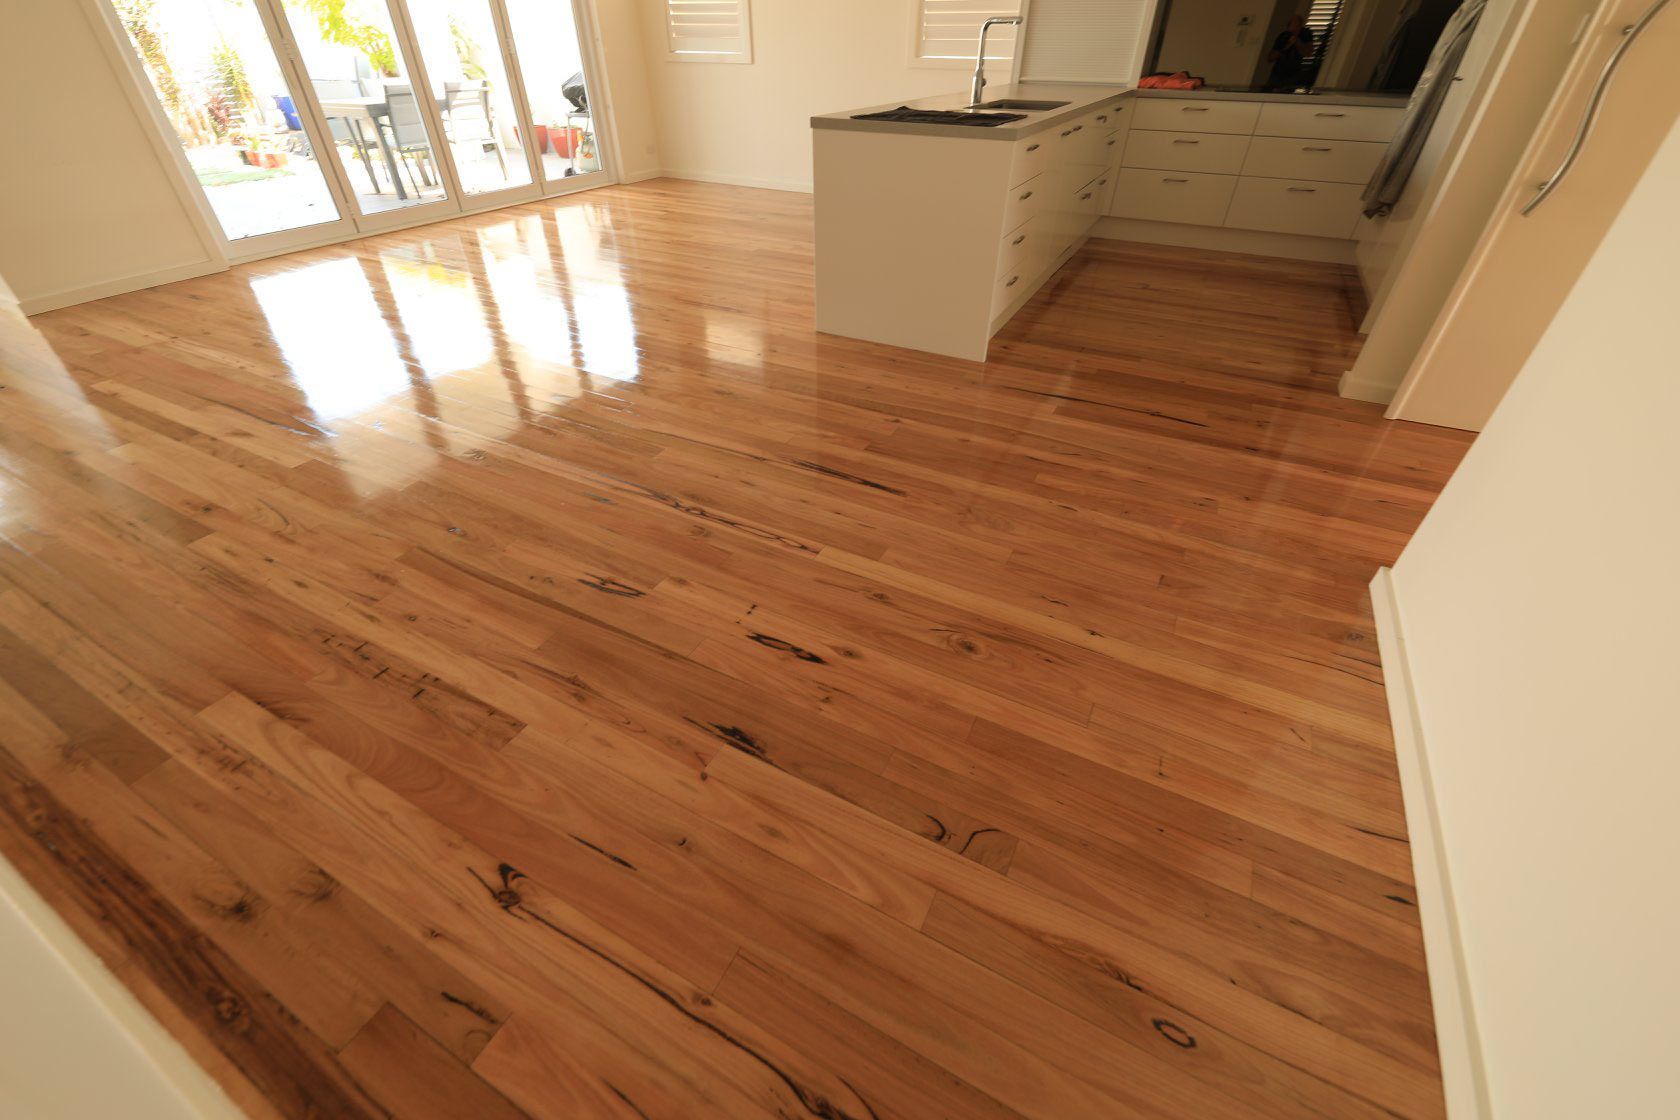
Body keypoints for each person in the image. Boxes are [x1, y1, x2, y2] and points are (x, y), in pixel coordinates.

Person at [1266, 13, 1316, 89]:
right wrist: (1284, 47)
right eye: (1290, 23)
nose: (1292, 25)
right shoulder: (1283, 36)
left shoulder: (1305, 35)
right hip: (1278, 72)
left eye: (1295, 23)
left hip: (1293, 74)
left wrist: (1297, 42)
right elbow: (1270, 58)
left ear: (1300, 25)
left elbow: (1308, 53)